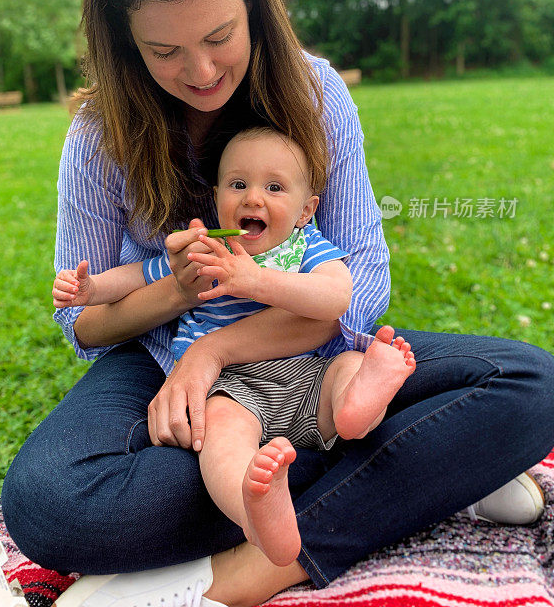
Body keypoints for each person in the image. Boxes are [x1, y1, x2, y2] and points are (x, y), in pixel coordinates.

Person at [1, 0, 554, 607]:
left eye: (219, 37)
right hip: (158, 359)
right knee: (49, 503)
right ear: (124, 42)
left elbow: (362, 285)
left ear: (255, 8)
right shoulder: (99, 135)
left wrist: (217, 349)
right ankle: (429, 473)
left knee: (530, 386)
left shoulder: (316, 91)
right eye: (163, 51)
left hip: (309, 345)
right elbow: (84, 323)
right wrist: (180, 299)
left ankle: (271, 559)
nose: (199, 72)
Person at [51, 126, 417, 567]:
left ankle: (355, 409)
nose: (253, 198)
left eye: (275, 187)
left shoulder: (307, 247)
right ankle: (258, 514)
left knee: (349, 366)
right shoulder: (208, 250)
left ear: (306, 210)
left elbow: (337, 297)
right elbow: (135, 275)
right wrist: (91, 288)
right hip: (230, 389)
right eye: (238, 185)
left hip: (307, 373)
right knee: (221, 435)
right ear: (217, 196)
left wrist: (257, 280)